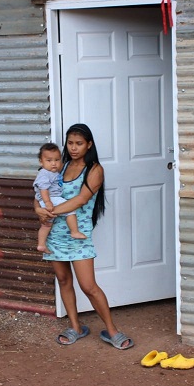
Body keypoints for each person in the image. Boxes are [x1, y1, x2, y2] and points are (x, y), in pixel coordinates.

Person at [34, 123, 134, 350]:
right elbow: (41, 192)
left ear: (89, 144)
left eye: (79, 143)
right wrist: (38, 209)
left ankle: (112, 331)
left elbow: (80, 200)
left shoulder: (94, 169)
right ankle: (76, 327)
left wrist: (50, 211)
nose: (74, 148)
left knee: (89, 286)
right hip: (55, 234)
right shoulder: (59, 165)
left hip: (78, 235)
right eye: (70, 143)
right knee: (63, 280)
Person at [34, 142, 86, 252]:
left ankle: (41, 244)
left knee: (46, 225)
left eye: (57, 160)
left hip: (49, 199)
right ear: (41, 162)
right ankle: (74, 231)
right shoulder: (44, 173)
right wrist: (48, 202)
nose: (53, 163)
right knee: (70, 210)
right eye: (49, 160)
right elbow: (43, 189)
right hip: (51, 198)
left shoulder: (53, 172)